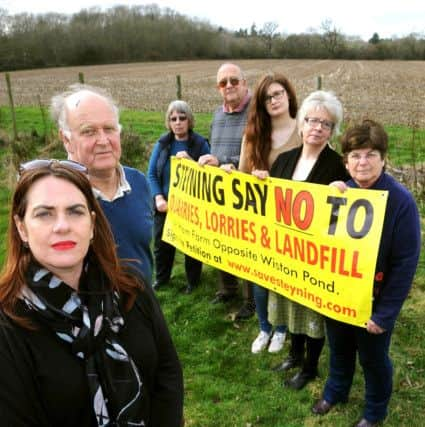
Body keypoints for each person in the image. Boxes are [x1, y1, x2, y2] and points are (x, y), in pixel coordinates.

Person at [0, 160, 183, 426]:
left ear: (92, 223)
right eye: (44, 214)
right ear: (21, 227)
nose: (62, 225)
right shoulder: (9, 325)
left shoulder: (132, 288)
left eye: (75, 211)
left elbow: (168, 377)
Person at [311, 120, 421, 427]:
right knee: (339, 348)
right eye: (356, 155)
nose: (362, 162)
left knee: (373, 359)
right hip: (339, 293)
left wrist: (384, 314)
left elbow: (405, 263)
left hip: (375, 300)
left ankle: (374, 412)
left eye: (370, 154)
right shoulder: (338, 193)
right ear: (345, 160)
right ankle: (336, 391)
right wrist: (327, 200)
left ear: (383, 158)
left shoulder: (401, 202)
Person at [260, 90, 349, 390]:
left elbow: (345, 213)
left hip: (316, 254)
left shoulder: (337, 166)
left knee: (311, 311)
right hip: (285, 250)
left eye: (325, 124)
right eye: (311, 120)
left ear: (332, 130)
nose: (317, 128)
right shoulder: (284, 161)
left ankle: (309, 367)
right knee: (289, 304)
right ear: (301, 124)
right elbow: (270, 202)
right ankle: (294, 355)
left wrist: (344, 191)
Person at [50, 84, 154, 285]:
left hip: (143, 308)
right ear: (66, 139)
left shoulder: (138, 182)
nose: (104, 140)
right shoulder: (54, 198)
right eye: (89, 131)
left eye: (109, 129)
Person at [235, 72, 302, 353]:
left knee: (284, 278)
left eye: (277, 94)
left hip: (292, 219)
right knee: (260, 277)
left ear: (288, 95)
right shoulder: (253, 135)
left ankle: (282, 329)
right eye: (266, 97)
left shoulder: (304, 129)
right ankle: (264, 327)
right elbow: (240, 177)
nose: (273, 100)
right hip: (261, 219)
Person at [198, 62, 255, 320]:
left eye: (234, 80)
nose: (229, 86)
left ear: (244, 83)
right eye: (223, 83)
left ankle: (252, 299)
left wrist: (224, 161)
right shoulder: (217, 115)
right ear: (218, 88)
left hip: (246, 191)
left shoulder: (257, 112)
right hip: (220, 191)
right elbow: (216, 148)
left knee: (247, 246)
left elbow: (256, 152)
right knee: (221, 241)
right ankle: (227, 288)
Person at [148, 100, 210, 294]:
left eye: (182, 118)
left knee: (191, 246)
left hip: (191, 206)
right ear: (168, 122)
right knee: (161, 244)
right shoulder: (163, 143)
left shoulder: (200, 143)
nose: (178, 122)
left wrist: (191, 162)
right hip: (165, 205)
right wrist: (158, 197)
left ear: (189, 120)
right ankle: (162, 279)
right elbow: (151, 174)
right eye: (173, 118)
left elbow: (208, 176)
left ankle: (193, 282)